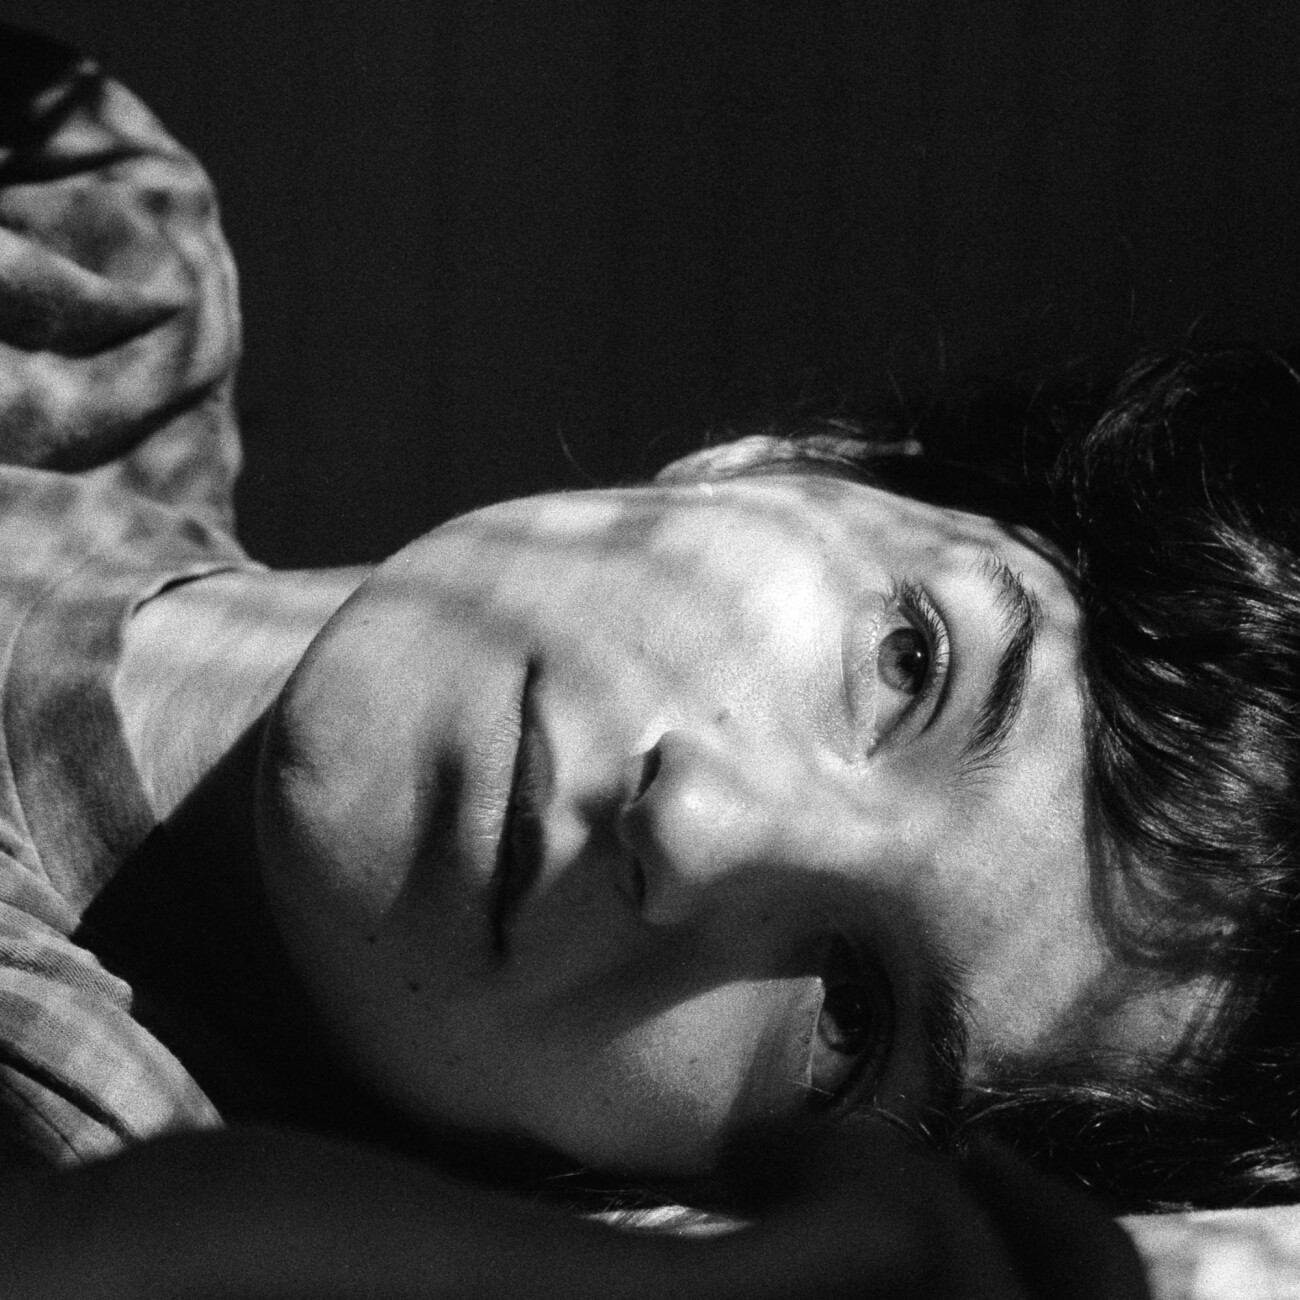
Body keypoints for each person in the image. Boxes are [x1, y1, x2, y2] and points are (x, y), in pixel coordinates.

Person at [0, 22, 1295, 1299]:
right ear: (793, 459)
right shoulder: (83, 241)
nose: (693, 829)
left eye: (849, 1022)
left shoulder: (91, 1208)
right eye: (910, 664)